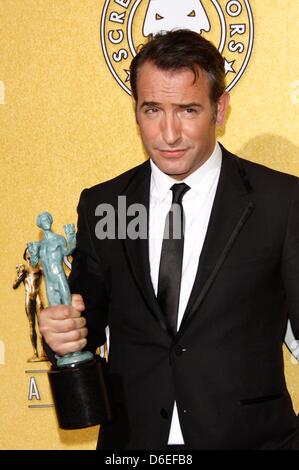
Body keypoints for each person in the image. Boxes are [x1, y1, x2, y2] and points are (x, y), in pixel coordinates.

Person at [40, 30, 299, 450]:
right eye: (153, 109)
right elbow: (85, 322)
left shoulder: (280, 202)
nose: (169, 133)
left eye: (188, 110)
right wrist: (62, 332)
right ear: (135, 110)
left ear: (220, 108)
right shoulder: (107, 204)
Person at [13, 248, 47, 362]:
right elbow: (14, 285)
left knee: (42, 326)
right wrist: (19, 275)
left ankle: (44, 352)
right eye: (27, 254)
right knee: (31, 325)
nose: (29, 256)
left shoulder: (39, 268)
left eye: (31, 254)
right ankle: (35, 353)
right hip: (29, 298)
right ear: (25, 256)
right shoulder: (24, 269)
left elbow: (50, 277)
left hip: (38, 297)